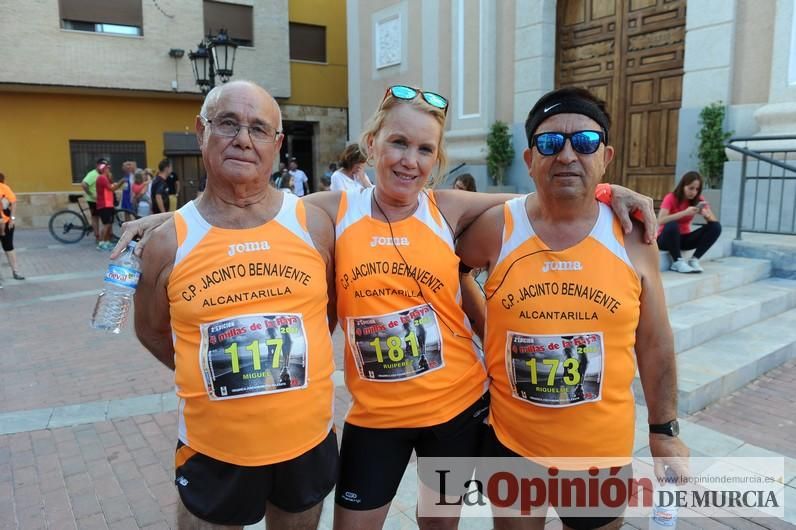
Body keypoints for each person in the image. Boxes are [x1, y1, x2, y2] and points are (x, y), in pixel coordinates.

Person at [114, 84, 657, 530]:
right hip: (377, 420)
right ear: (372, 144)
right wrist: (164, 221)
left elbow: (543, 198)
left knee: (438, 523)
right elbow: (251, 206)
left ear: (436, 162)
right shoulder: (328, 211)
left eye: (425, 151)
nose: (409, 160)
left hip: (456, 409)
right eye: (398, 143)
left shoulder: (444, 209)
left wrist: (609, 193)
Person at [458, 87, 689, 529]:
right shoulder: (497, 227)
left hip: (598, 454)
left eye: (584, 143)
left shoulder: (632, 235)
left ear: (606, 155)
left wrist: (665, 433)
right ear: (529, 160)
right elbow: (451, 264)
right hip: (512, 445)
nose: (566, 154)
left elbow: (655, 343)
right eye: (550, 143)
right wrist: (484, 323)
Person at [133, 80, 338, 529]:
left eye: (259, 128)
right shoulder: (165, 243)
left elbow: (327, 316)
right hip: (213, 451)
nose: (243, 138)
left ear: (277, 143)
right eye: (228, 123)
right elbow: (150, 330)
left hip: (305, 442)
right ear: (201, 132)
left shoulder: (315, 224)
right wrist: (203, 370)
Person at [657, 170, 722, 273]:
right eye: (691, 188)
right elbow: (660, 220)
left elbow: (713, 222)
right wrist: (684, 213)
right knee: (672, 224)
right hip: (665, 240)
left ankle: (694, 260)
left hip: (684, 240)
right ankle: (677, 262)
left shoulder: (698, 199)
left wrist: (707, 215)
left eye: (697, 189)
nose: (694, 192)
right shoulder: (671, 197)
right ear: (683, 186)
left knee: (716, 227)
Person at [0, 172, 24, 284]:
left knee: (9, 247)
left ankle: (15, 271)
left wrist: (12, 218)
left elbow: (13, 202)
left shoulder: (4, 188)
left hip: (5, 222)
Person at [95, 163, 123, 251]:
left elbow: (111, 187)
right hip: (104, 205)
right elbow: (112, 188)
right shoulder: (102, 178)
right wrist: (121, 182)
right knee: (106, 224)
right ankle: (101, 243)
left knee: (109, 224)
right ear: (104, 170)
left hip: (108, 204)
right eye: (108, 169)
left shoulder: (105, 178)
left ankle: (106, 242)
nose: (109, 171)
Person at [81, 158, 109, 243]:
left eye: (105, 165)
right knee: (95, 218)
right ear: (97, 165)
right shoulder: (93, 174)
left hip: (101, 200)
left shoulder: (103, 174)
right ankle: (97, 236)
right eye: (102, 165)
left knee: (101, 218)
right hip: (93, 200)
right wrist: (90, 194)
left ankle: (104, 236)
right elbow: (84, 184)